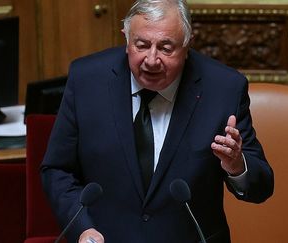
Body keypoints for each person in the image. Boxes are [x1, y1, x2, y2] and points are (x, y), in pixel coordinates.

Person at [40, 0, 274, 242]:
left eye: (166, 48)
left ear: (187, 45)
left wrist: (237, 166)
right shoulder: (87, 80)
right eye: (141, 45)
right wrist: (82, 228)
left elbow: (261, 188)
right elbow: (57, 170)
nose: (151, 60)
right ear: (126, 39)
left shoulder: (224, 88)